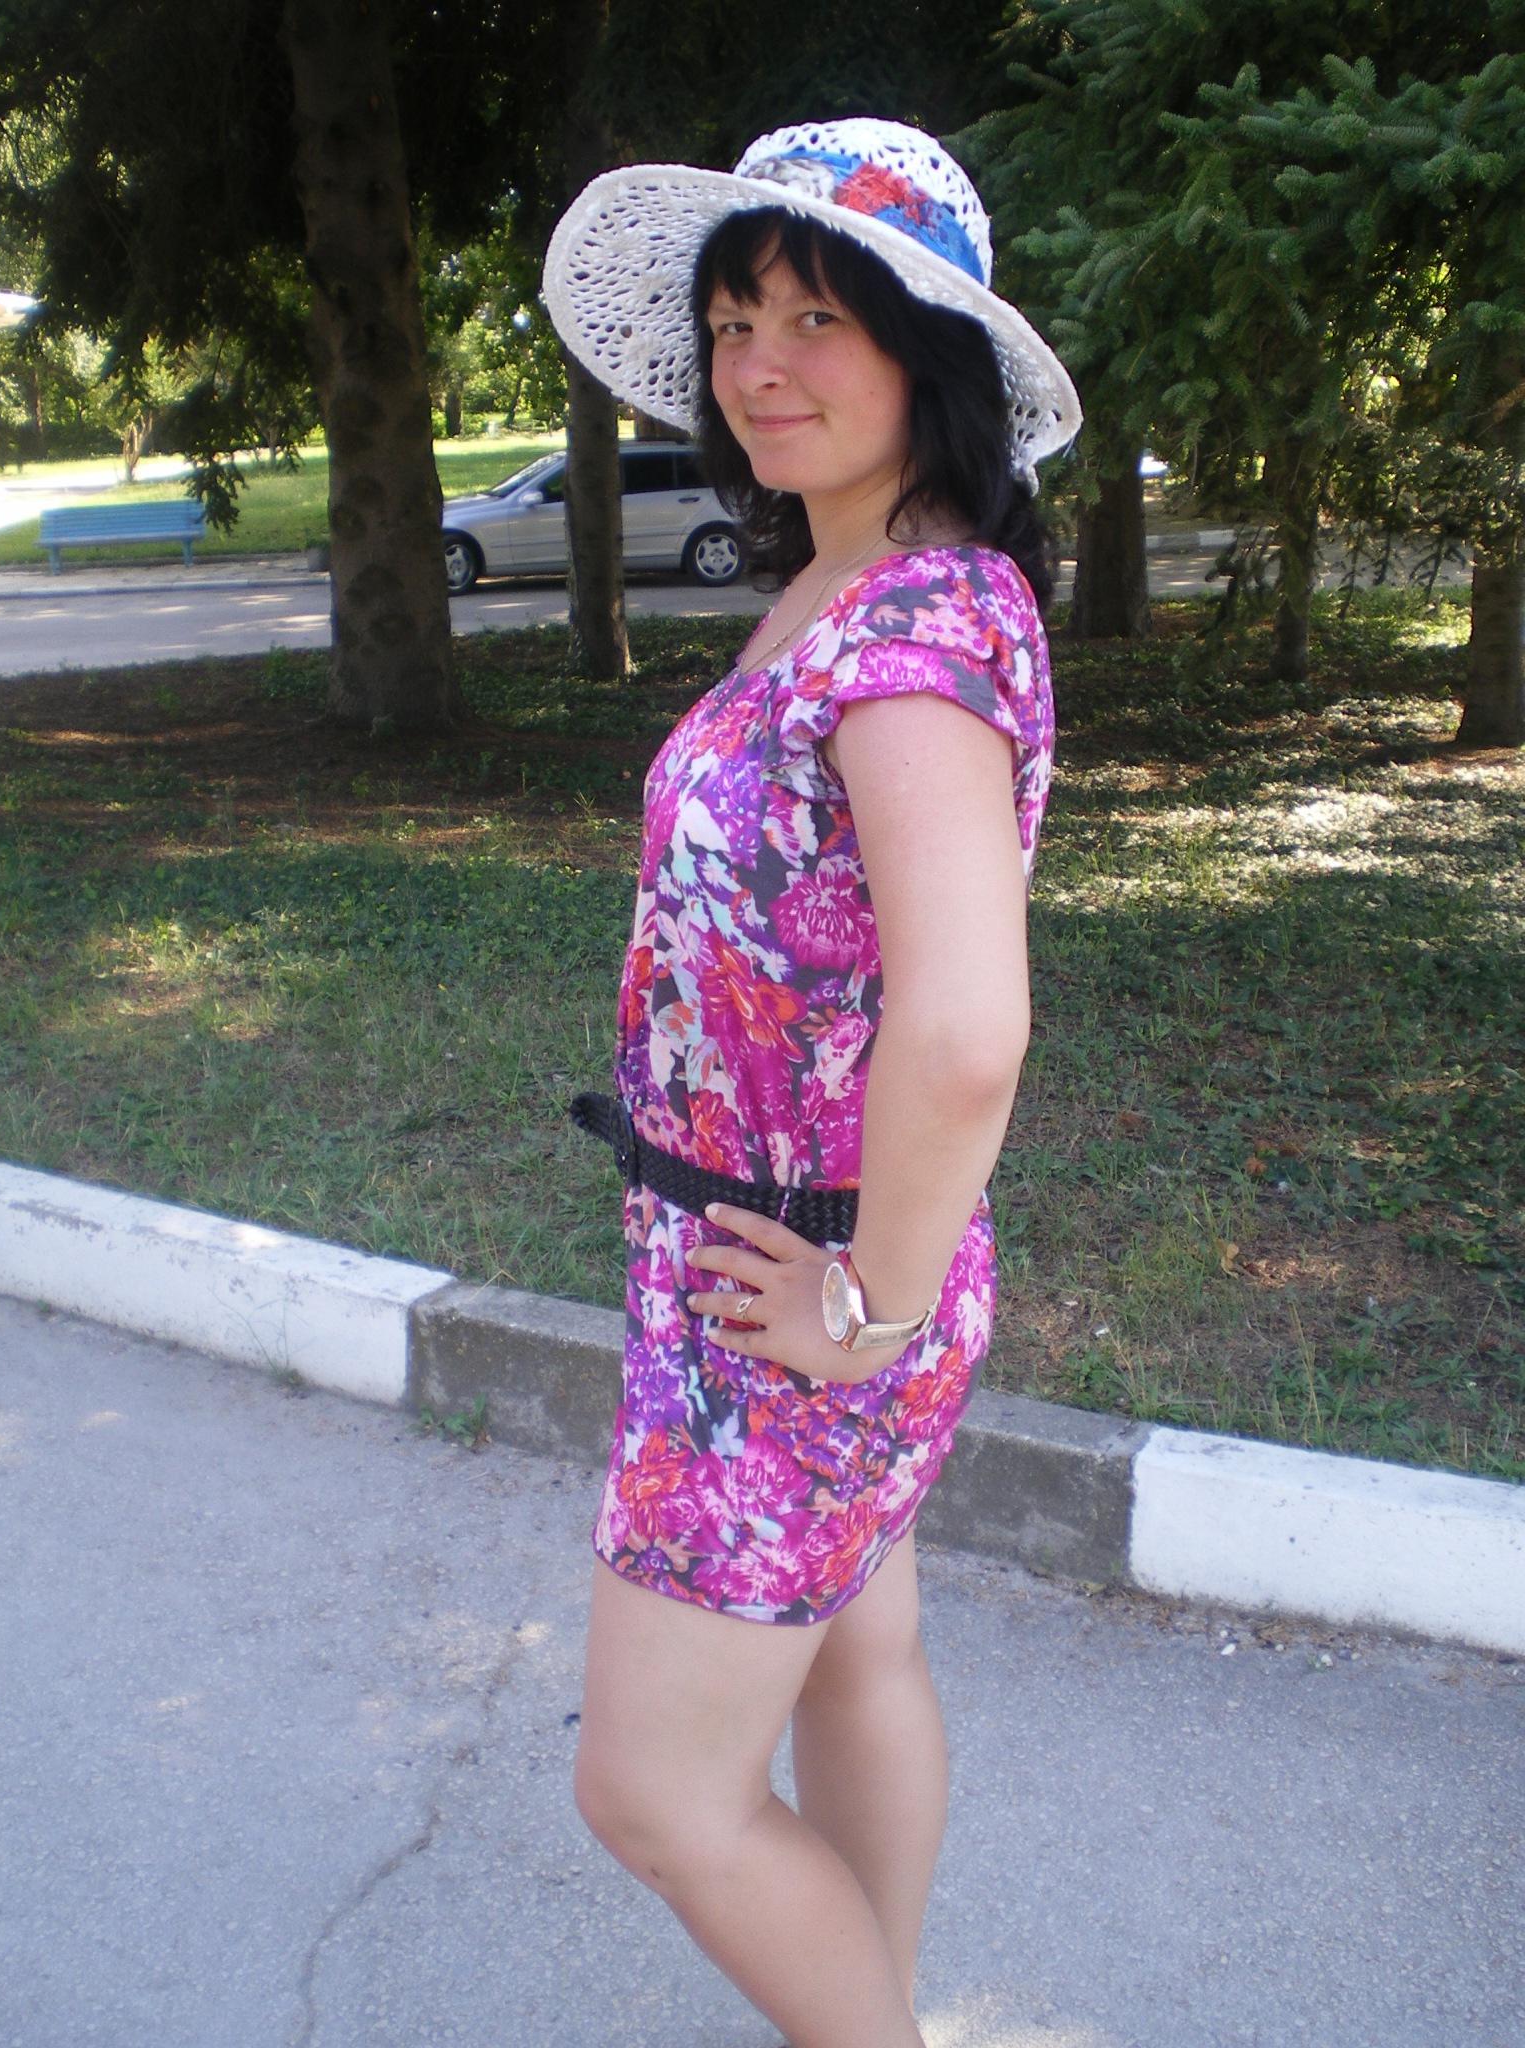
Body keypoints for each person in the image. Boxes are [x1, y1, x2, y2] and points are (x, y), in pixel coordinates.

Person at [541, 118, 1081, 2048]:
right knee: (861, 1660)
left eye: (815, 318)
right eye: (732, 321)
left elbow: (967, 1028)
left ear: (928, 357)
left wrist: (871, 1310)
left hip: (801, 1296)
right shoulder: (855, 586)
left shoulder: (916, 628)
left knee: (654, 1792)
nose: (757, 362)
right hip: (791, 1265)